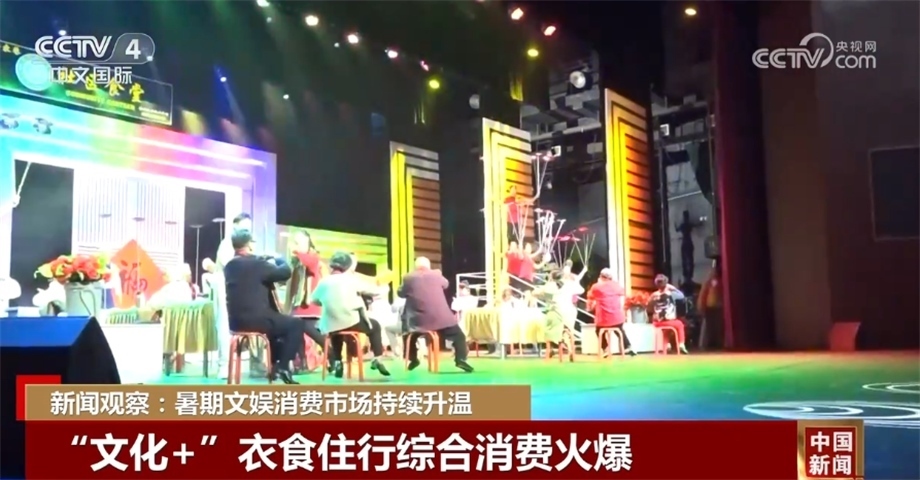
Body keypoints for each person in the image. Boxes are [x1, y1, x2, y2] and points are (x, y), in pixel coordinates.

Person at [223, 230, 316, 384]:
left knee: (276, 326)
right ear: (250, 245)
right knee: (296, 324)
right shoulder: (258, 264)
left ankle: (274, 367)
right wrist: (278, 258)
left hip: (236, 322)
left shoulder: (229, 266)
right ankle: (283, 366)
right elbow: (285, 273)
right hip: (258, 320)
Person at [310, 251, 391, 378]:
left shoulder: (324, 282)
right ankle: (377, 358)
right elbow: (374, 291)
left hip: (330, 324)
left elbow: (313, 300)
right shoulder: (351, 280)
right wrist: (384, 288)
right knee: (375, 326)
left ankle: (338, 362)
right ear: (347, 265)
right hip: (351, 321)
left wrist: (328, 302)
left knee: (335, 330)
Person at [398, 257, 473, 373]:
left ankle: (413, 358)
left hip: (418, 322)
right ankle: (461, 359)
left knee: (408, 333)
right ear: (429, 266)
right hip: (441, 320)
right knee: (459, 336)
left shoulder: (408, 277)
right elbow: (446, 284)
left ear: (415, 266)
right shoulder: (436, 274)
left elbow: (400, 293)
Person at [214, 212, 253, 378]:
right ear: (235, 227)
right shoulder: (226, 244)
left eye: (249, 229)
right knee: (224, 325)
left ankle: (257, 364)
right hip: (225, 287)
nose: (247, 232)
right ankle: (224, 366)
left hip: (241, 288)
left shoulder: (249, 245)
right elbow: (231, 266)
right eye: (244, 228)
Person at [587, 268, 635, 356]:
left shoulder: (596, 287)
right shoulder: (616, 285)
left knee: (598, 330)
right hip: (617, 318)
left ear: (600, 276)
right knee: (619, 329)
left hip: (603, 320)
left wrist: (599, 283)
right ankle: (628, 346)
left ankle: (605, 349)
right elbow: (622, 292)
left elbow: (590, 296)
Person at [647, 274, 690, 354]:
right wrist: (673, 288)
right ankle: (681, 344)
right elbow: (682, 296)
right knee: (680, 324)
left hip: (657, 322)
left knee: (666, 329)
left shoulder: (653, 295)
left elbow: (649, 306)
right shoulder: (672, 294)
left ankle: (666, 346)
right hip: (669, 321)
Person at [697, 259, 724, 350]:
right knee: (710, 328)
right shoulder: (710, 280)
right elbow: (703, 292)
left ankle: (718, 343)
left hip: (719, 307)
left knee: (718, 328)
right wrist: (701, 305)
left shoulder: (722, 279)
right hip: (711, 307)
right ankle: (709, 344)